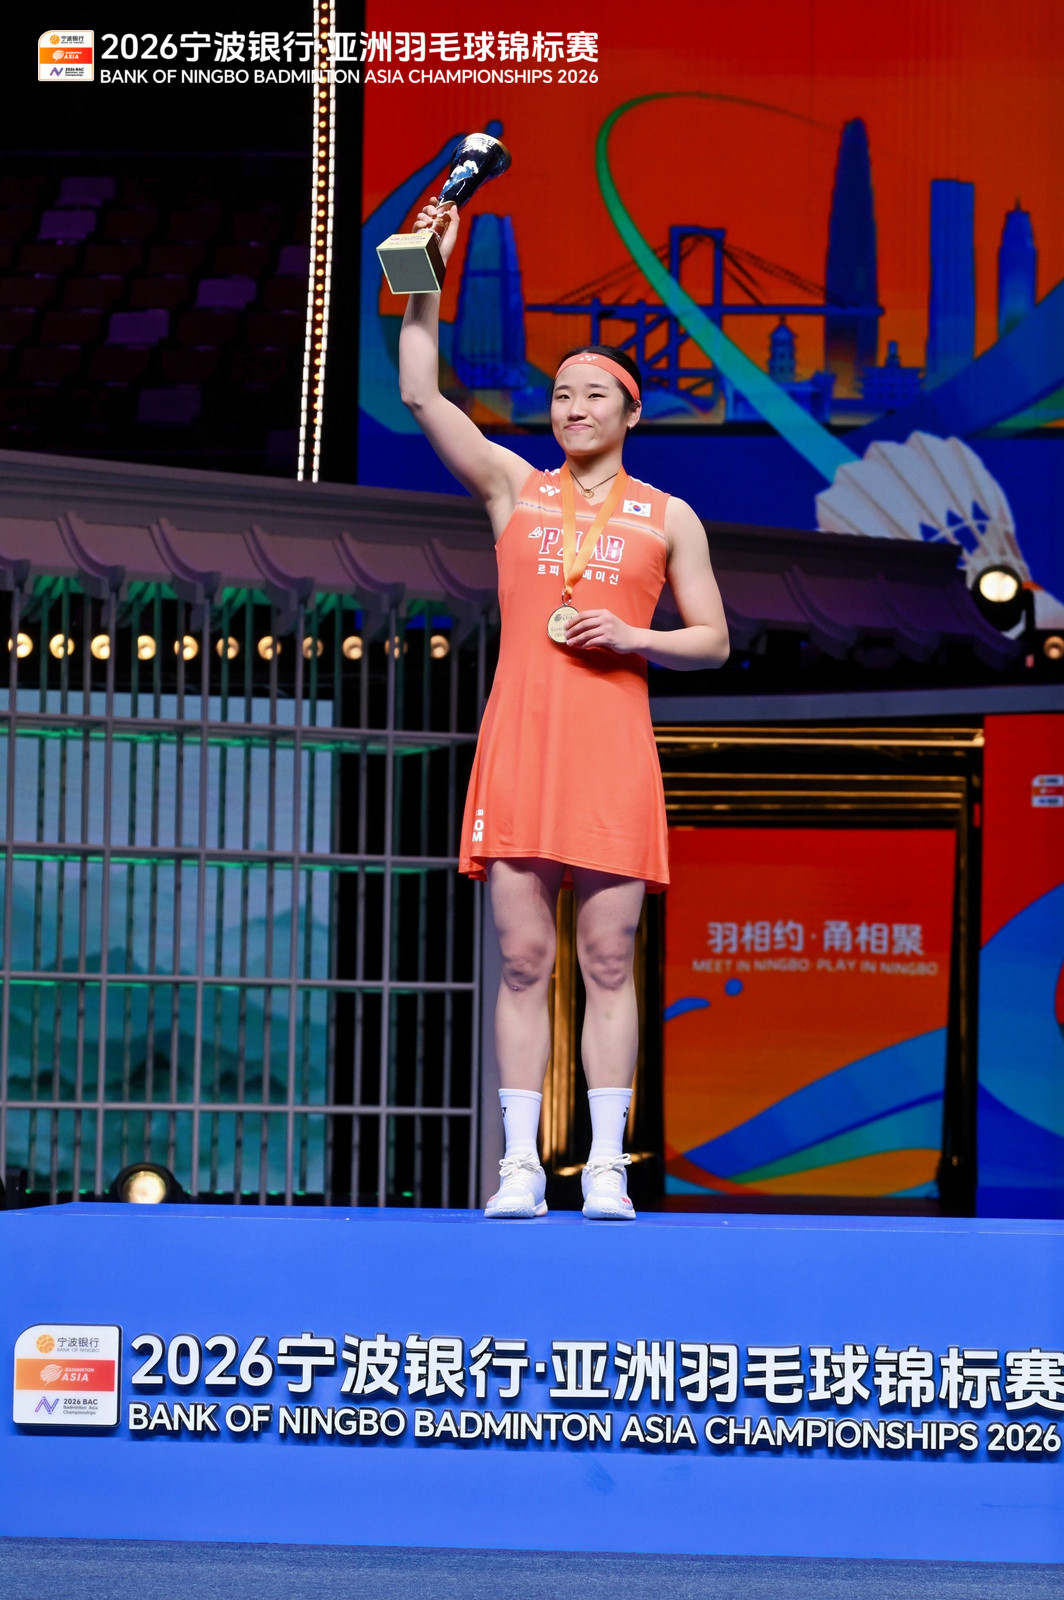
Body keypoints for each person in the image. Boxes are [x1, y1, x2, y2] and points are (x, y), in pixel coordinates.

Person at [398, 198, 729, 1221]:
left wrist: (635, 638)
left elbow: (713, 640)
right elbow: (419, 392)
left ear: (630, 414)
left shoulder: (667, 517)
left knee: (606, 958)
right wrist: (425, 277)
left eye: (593, 394)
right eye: (558, 394)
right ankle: (515, 1165)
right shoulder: (514, 490)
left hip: (612, 750)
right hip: (523, 742)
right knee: (520, 959)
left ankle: (602, 1164)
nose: (571, 407)